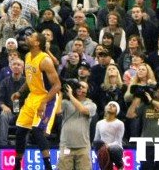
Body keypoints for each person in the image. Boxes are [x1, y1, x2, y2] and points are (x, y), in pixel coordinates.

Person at [11, 31, 62, 170]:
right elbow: (30, 79)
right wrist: (19, 92)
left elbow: (57, 85)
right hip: (32, 96)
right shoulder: (27, 56)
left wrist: (44, 103)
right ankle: (17, 166)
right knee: (20, 131)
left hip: (46, 97)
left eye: (31, 36)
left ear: (37, 43)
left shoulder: (45, 60)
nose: (27, 37)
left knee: (37, 131)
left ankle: (48, 167)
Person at [57, 81, 96, 170]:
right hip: (66, 145)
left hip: (83, 146)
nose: (80, 88)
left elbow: (83, 110)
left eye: (83, 87)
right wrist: (61, 94)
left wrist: (70, 96)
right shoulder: (66, 102)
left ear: (88, 91)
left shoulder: (91, 104)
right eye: (79, 86)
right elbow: (57, 111)